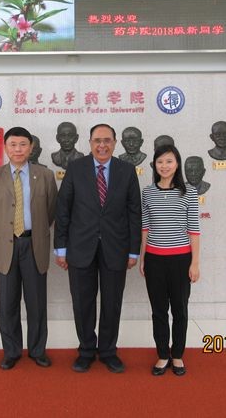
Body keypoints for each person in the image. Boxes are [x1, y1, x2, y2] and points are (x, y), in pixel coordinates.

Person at [54, 124, 142, 374]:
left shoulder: (126, 170)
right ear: (90, 143)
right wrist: (61, 248)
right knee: (82, 303)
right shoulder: (76, 168)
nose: (102, 145)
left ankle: (108, 351)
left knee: (112, 303)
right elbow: (63, 209)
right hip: (80, 247)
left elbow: (134, 212)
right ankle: (85, 351)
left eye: (107, 140)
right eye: (97, 141)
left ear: (115, 143)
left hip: (116, 247)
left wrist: (133, 251)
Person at [0, 127, 58, 370]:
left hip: (35, 244)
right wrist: (5, 229)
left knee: (36, 303)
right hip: (6, 246)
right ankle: (11, 351)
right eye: (13, 145)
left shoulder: (45, 175)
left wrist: (35, 229)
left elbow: (52, 210)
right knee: (8, 302)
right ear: (5, 148)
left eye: (23, 144)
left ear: (31, 147)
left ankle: (37, 350)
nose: (18, 149)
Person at [139, 144, 200, 377]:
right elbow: (145, 228)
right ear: (154, 165)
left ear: (177, 164)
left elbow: (194, 230)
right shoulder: (148, 192)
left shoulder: (189, 192)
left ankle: (177, 355)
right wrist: (143, 257)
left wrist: (195, 263)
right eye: (160, 161)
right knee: (158, 310)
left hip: (181, 260)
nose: (164, 166)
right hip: (154, 260)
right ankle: (163, 354)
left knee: (180, 309)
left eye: (169, 161)